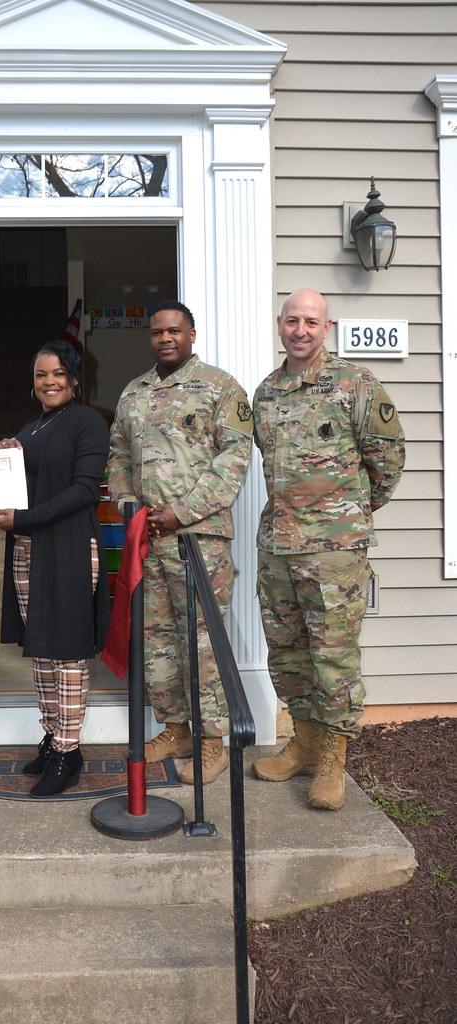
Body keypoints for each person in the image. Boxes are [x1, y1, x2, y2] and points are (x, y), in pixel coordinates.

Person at [251, 289, 405, 810]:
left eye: (310, 322)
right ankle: (306, 743)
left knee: (334, 657)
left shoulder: (356, 385)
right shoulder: (266, 393)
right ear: (279, 325)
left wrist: (350, 517)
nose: (300, 330)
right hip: (277, 548)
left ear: (326, 327)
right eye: (292, 321)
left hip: (335, 552)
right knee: (288, 653)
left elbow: (387, 461)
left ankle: (335, 758)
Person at [108, 299, 253, 784]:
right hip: (149, 540)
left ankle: (214, 740)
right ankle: (177, 728)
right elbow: (119, 456)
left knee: (202, 640)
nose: (165, 338)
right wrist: (130, 506)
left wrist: (181, 512)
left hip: (198, 540)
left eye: (174, 331)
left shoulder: (219, 387)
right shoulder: (134, 393)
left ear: (192, 334)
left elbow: (234, 457)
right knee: (158, 639)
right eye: (156, 332)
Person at [0, 340, 111, 797]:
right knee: (42, 650)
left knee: (66, 653)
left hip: (70, 548)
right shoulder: (32, 427)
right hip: (28, 549)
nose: (49, 382)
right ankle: (52, 737)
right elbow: (19, 481)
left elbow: (84, 490)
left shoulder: (87, 423)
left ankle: (67, 750)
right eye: (41, 375)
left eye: (58, 373)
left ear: (74, 380)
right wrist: (4, 458)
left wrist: (22, 518)